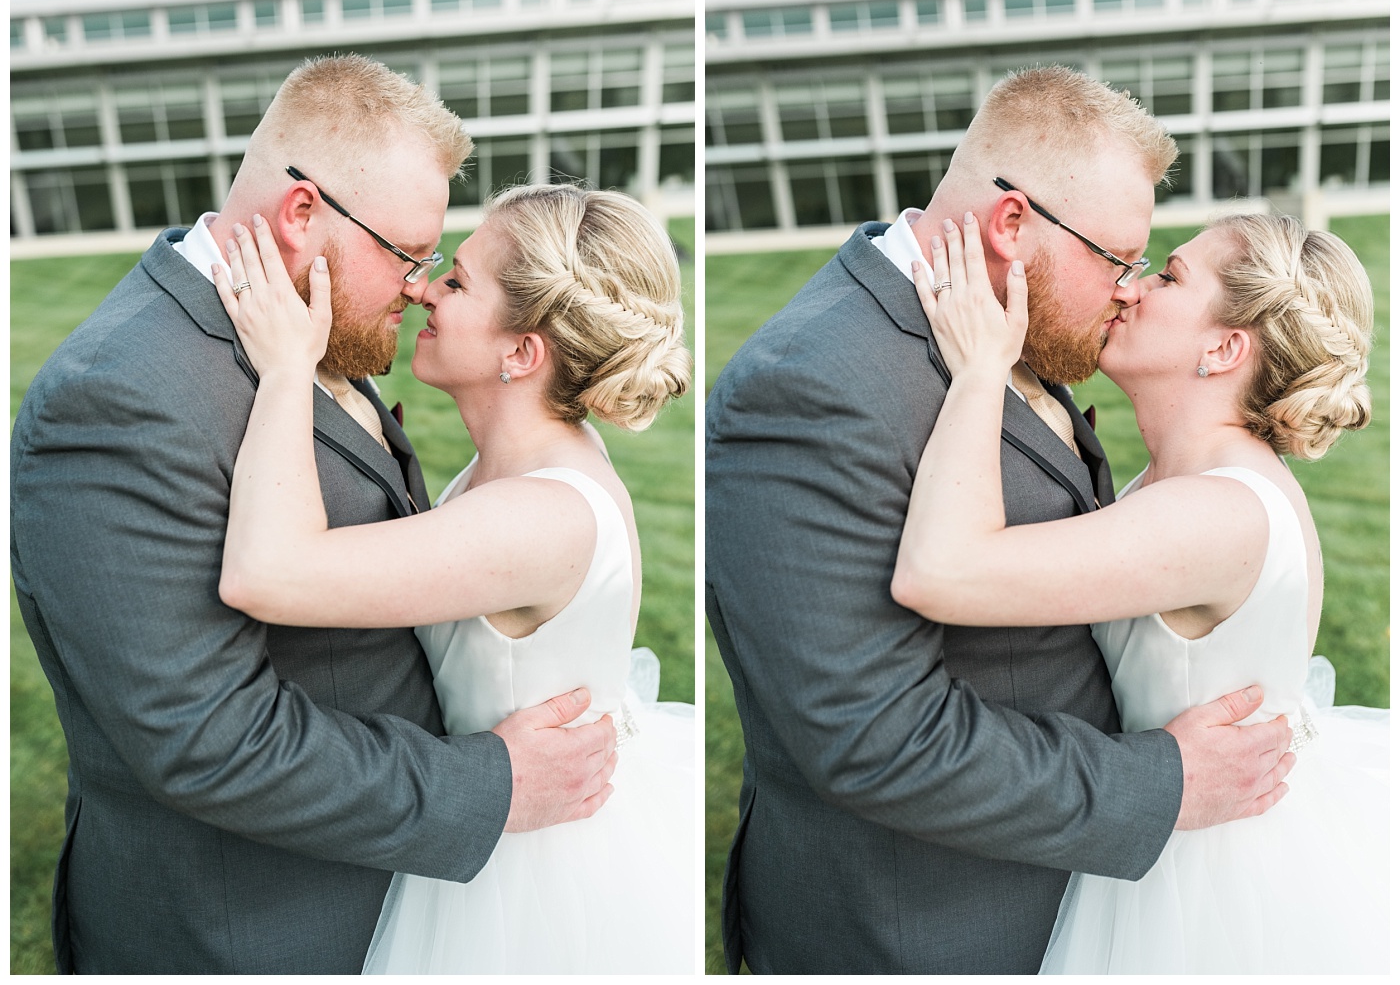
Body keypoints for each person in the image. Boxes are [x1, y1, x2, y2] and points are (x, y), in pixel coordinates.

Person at [9, 54, 616, 974]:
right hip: (256, 927)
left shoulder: (309, 314)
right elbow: (208, 740)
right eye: (410, 255)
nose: (421, 286)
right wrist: (490, 784)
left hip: (380, 895)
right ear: (304, 216)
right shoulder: (118, 400)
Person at [705, 65, 1295, 974]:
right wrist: (1161, 783)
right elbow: (872, 738)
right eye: (1118, 260)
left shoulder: (1012, 317)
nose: (1127, 290)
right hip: (928, 928)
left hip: (1070, 904)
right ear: (1013, 224)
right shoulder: (808, 386)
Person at [212, 182, 695, 973]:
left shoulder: (540, 517)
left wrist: (288, 368)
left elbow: (271, 572)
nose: (422, 287)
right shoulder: (522, 460)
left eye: (458, 282)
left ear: (521, 352)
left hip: (532, 871)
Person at [900, 210, 1386, 973]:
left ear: (1224, 347)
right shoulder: (1191, 478)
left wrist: (980, 370)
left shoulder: (1217, 514)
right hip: (1168, 811)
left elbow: (941, 571)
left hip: (1206, 882)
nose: (1131, 287)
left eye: (1168, 277)